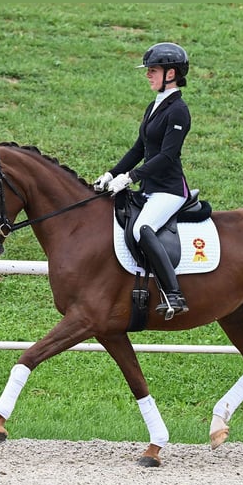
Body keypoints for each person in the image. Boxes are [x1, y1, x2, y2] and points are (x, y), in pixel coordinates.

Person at [94, 42, 192, 318]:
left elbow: (168, 155)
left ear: (170, 74)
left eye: (153, 70)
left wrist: (131, 177)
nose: (148, 75)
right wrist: (112, 173)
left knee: (142, 228)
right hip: (150, 189)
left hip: (170, 190)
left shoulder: (178, 111)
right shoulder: (155, 106)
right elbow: (139, 149)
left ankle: (173, 295)